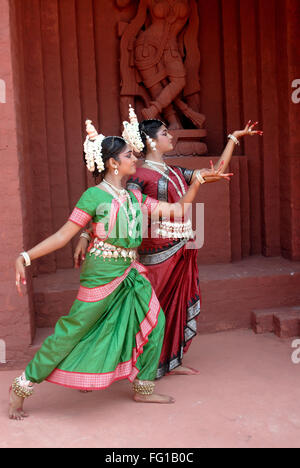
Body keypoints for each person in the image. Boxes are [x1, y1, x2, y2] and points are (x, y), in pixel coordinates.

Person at [9, 117, 224, 420]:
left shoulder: (134, 196)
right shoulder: (93, 197)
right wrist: (25, 257)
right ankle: (21, 387)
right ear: (112, 164)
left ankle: (143, 388)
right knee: (73, 331)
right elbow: (63, 235)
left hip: (130, 272)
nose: (134, 158)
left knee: (156, 321)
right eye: (127, 156)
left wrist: (198, 182)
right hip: (101, 273)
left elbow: (177, 210)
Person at [75, 108, 251, 379]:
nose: (172, 136)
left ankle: (170, 360)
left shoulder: (176, 171)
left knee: (175, 307)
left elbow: (216, 172)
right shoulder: (139, 177)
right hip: (156, 252)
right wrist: (87, 233)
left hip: (184, 247)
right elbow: (119, 207)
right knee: (150, 312)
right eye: (166, 133)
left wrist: (233, 139)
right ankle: (116, 367)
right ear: (152, 141)